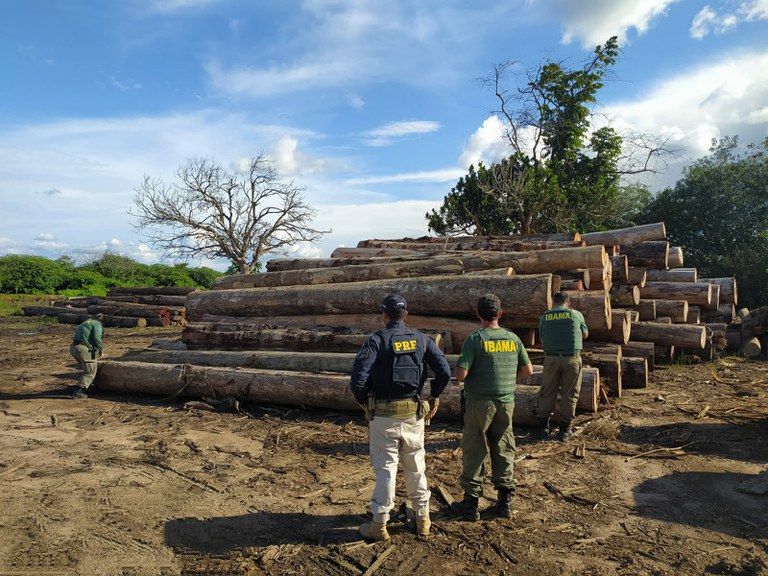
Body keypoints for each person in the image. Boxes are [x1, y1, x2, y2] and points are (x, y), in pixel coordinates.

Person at [350, 294, 452, 542]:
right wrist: (433, 396)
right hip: (414, 416)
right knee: (416, 467)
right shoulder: (422, 339)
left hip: (383, 417)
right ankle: (423, 519)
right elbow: (445, 371)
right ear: (405, 315)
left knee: (386, 469)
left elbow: (358, 379)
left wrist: (365, 402)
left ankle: (379, 524)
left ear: (384, 316)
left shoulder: (376, 341)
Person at [451, 294, 533, 521]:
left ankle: (471, 504)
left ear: (478, 314)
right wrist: (506, 381)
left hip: (478, 403)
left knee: (474, 449)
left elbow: (461, 375)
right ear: (500, 314)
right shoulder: (513, 339)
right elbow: (528, 371)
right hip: (506, 402)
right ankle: (504, 502)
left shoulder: (475, 339)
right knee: (504, 447)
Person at [536, 291, 589, 441]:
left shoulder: (545, 316)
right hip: (571, 359)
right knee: (569, 393)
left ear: (554, 302)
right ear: (568, 303)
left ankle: (542, 429)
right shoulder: (576, 314)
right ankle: (564, 431)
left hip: (551, 359)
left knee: (547, 392)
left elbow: (542, 340)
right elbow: (585, 335)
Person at [69, 313, 105, 399]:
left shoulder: (87, 322)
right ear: (102, 322)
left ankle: (87, 385)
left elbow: (90, 344)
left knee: (88, 367)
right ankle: (79, 390)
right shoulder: (97, 324)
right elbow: (97, 338)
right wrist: (100, 350)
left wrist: (95, 354)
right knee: (90, 371)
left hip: (74, 348)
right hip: (83, 349)